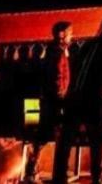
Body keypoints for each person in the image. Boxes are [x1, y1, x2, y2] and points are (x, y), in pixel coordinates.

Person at [57, 19, 102, 184]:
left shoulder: (89, 44)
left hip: (74, 97)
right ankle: (96, 178)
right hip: (91, 99)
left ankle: (60, 176)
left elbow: (75, 67)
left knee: (67, 138)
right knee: (96, 139)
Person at [23, 21, 73, 184]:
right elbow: (59, 77)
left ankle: (32, 169)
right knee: (55, 136)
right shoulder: (58, 53)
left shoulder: (53, 51)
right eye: (70, 33)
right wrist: (61, 97)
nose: (72, 36)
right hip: (55, 103)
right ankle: (56, 173)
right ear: (62, 35)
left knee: (42, 137)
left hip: (49, 102)